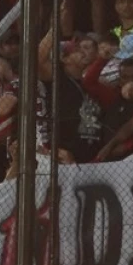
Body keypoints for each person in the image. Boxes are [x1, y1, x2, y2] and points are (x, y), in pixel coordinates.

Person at [38, 29, 104, 164]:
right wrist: (53, 28)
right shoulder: (58, 78)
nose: (84, 53)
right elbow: (38, 59)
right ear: (64, 58)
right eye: (78, 51)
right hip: (65, 154)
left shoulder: (88, 83)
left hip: (90, 155)